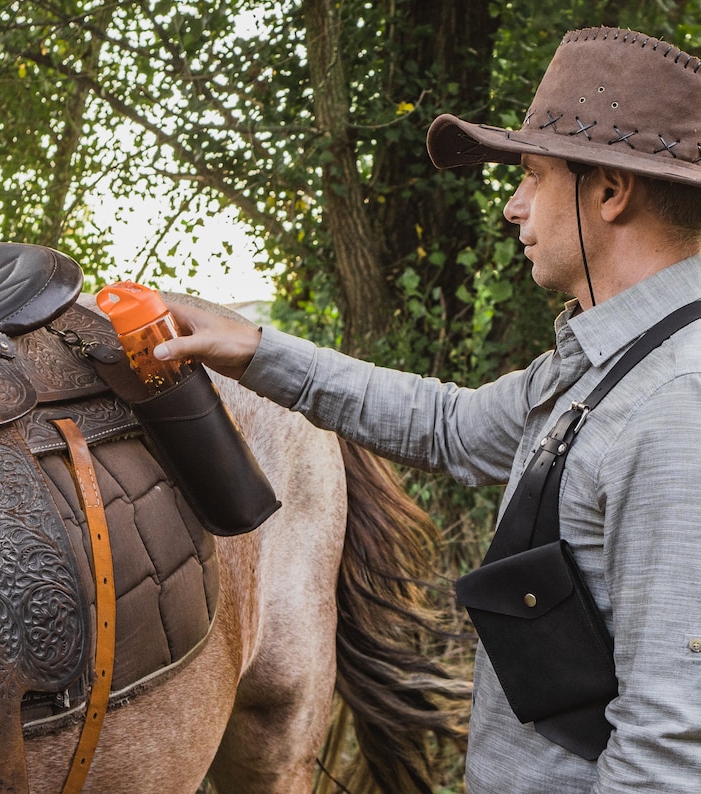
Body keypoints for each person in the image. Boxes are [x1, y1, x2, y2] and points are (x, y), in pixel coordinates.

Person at [154, 27, 701, 793]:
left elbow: (671, 750)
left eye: (534, 177)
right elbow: (447, 425)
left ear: (610, 192)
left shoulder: (677, 405)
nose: (513, 208)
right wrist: (250, 351)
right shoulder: (610, 362)